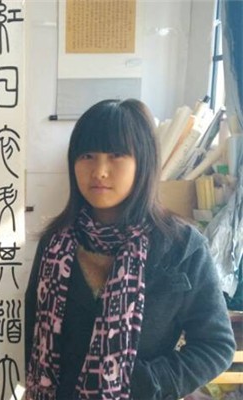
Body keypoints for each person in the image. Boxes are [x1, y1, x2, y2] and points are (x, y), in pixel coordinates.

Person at [24, 99, 236, 400]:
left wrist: (145, 382)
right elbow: (33, 331)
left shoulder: (181, 247)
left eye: (116, 155)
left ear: (143, 162)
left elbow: (216, 345)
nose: (99, 171)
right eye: (87, 156)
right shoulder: (55, 243)